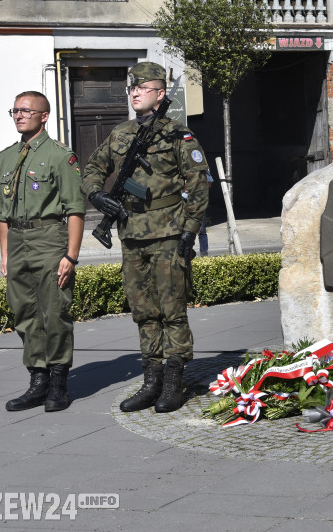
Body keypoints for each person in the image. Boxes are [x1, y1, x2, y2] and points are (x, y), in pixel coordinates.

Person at [82, 62, 209, 413]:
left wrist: (190, 230)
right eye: (132, 89)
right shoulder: (121, 135)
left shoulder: (177, 135)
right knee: (143, 311)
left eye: (143, 88)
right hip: (132, 234)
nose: (135, 93)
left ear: (160, 93)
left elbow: (198, 182)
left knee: (172, 311)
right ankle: (151, 381)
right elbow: (93, 168)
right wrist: (96, 195)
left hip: (168, 233)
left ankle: (174, 382)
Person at [0, 91, 85, 412]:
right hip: (17, 240)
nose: (18, 115)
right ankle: (38, 379)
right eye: (14, 110)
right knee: (24, 313)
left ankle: (58, 383)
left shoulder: (61, 156)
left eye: (25, 110)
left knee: (54, 311)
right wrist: (5, 254)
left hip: (49, 237)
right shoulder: (5, 158)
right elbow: (1, 213)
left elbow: (75, 209)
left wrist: (70, 256)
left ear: (44, 116)